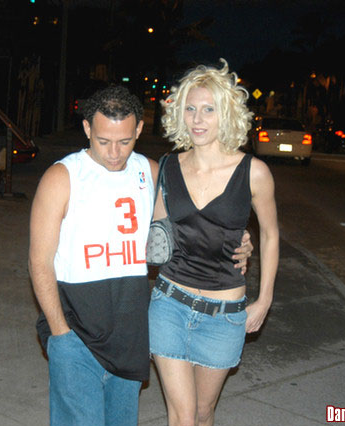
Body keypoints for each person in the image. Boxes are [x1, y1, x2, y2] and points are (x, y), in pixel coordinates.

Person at [28, 85, 253, 426]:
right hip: (75, 332)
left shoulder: (151, 173)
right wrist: (60, 332)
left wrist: (241, 241)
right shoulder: (63, 177)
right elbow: (39, 261)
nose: (114, 153)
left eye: (124, 141)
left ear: (139, 130)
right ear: (87, 128)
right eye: (103, 141)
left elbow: (199, 223)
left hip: (130, 335)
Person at [148, 59, 279, 426]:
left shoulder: (254, 172)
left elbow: (270, 235)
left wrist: (264, 299)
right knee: (184, 416)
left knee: (204, 413)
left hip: (224, 314)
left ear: (227, 114)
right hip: (170, 303)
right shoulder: (168, 167)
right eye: (190, 109)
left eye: (208, 109)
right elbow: (157, 236)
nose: (197, 119)